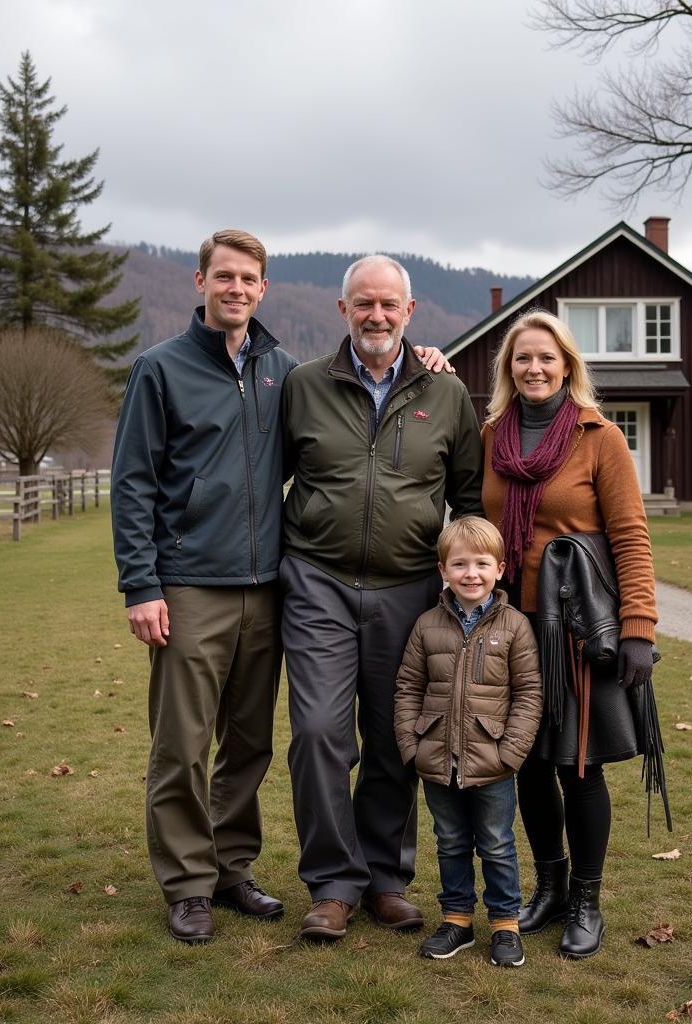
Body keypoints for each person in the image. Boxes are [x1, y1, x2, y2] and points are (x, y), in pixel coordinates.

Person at [280, 254, 485, 942]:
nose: (376, 316)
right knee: (317, 734)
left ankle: (386, 880)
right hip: (318, 584)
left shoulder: (447, 393)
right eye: (363, 304)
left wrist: (472, 585)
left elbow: (471, 499)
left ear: (409, 311)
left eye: (388, 305)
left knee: (397, 740)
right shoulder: (303, 385)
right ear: (343, 310)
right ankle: (334, 884)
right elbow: (264, 479)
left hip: (409, 589)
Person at [110, 229, 293, 943]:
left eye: (248, 278)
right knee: (181, 746)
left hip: (267, 587)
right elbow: (132, 484)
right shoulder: (159, 369)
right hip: (188, 584)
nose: (237, 289)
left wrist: (422, 358)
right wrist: (140, 585)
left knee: (248, 744)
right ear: (200, 282)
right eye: (224, 277)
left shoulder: (282, 369)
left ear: (263, 288)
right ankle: (186, 884)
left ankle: (231, 868)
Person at [480, 309, 658, 958]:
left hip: (577, 634)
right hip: (510, 629)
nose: (534, 368)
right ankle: (549, 887)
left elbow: (630, 536)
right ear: (509, 368)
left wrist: (638, 626)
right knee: (525, 765)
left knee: (578, 769)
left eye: (546, 358)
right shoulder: (492, 438)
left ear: (567, 366)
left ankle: (586, 899)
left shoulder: (598, 438)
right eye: (522, 358)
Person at [394, 517, 542, 967]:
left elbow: (529, 693)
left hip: (492, 760)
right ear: (443, 571)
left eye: (481, 563)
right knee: (450, 842)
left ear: (499, 569)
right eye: (459, 564)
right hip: (437, 759)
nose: (470, 573)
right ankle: (456, 919)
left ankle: (504, 925)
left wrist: (510, 752)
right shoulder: (426, 625)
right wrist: (411, 745)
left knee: (497, 843)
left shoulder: (514, 626)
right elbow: (407, 687)